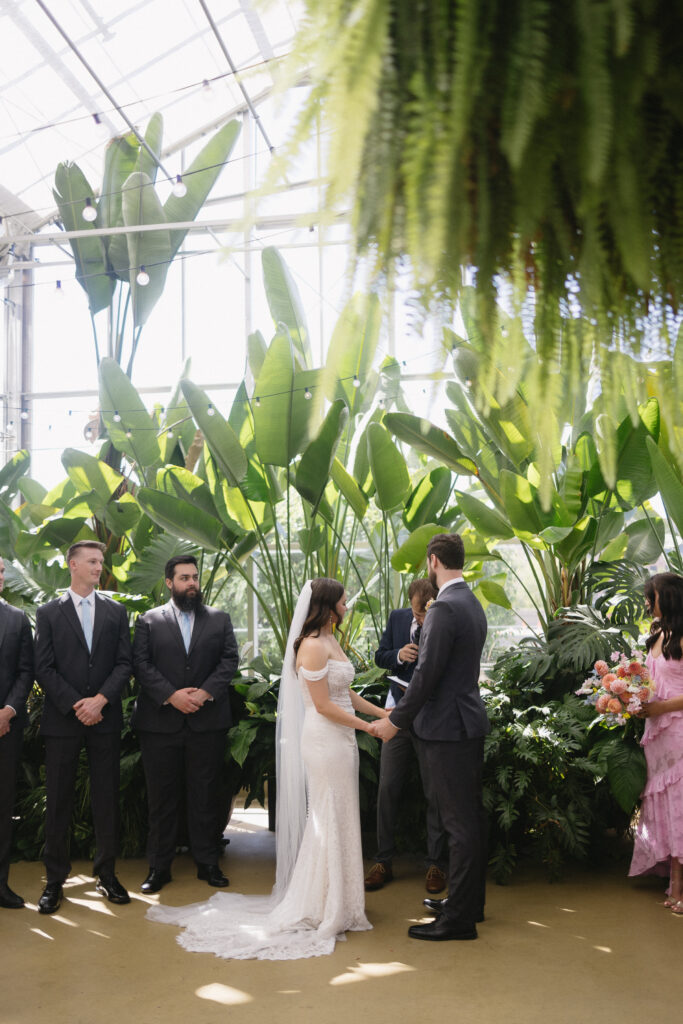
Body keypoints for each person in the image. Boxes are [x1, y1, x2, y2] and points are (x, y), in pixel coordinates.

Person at [146, 577, 388, 960]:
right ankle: (321, 904)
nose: (347, 607)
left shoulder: (331, 640)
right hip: (324, 739)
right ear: (327, 606)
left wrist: (381, 712)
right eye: (343, 602)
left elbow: (347, 693)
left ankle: (340, 900)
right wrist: (369, 728)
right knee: (326, 816)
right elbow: (323, 705)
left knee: (340, 814)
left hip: (342, 740)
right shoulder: (310, 646)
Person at [372, 533, 489, 941]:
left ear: (433, 561)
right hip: (465, 724)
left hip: (445, 729)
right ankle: (469, 903)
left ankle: (458, 920)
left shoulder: (443, 608)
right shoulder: (471, 603)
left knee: (458, 825)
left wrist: (396, 721)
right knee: (468, 820)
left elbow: (426, 676)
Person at [34, 540, 133, 914]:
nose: (98, 567)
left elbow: (124, 663)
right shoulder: (48, 612)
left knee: (106, 797)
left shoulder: (116, 611)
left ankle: (107, 876)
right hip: (63, 720)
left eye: (100, 561)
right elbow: (43, 666)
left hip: (104, 719)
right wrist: (77, 704)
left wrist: (100, 701)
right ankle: (54, 882)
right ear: (72, 564)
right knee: (58, 800)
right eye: (92, 561)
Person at [132, 555, 239, 894]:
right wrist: (172, 695)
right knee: (161, 798)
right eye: (184, 578)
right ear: (169, 582)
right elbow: (140, 664)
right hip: (159, 724)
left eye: (194, 577)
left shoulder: (219, 619)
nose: (191, 583)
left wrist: (205, 693)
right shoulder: (148, 621)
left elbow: (229, 660)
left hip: (206, 723)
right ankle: (158, 868)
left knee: (205, 795)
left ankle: (207, 863)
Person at [365, 577, 447, 894]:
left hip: (431, 717)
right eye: (415, 613)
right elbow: (379, 655)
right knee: (387, 787)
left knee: (434, 792)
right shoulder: (397, 618)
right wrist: (398, 655)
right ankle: (383, 860)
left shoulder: (443, 620)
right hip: (395, 714)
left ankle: (436, 864)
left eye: (423, 615)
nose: (418, 620)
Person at [629, 572, 683, 911]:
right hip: (657, 736)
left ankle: (681, 886)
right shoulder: (658, 634)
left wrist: (661, 706)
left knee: (681, 807)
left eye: (653, 596)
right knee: (666, 806)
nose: (648, 602)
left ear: (670, 598)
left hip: (679, 733)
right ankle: (674, 884)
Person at [0, 556, 34, 909]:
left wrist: (9, 711)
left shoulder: (17, 619)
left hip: (6, 729)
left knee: (2, 808)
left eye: (0, 571)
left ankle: (0, 885)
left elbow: (26, 671)